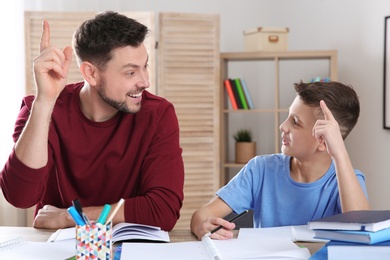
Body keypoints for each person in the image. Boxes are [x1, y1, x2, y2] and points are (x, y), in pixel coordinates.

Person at [0, 11, 184, 231]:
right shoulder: (37, 110)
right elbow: (19, 197)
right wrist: (45, 102)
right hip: (57, 249)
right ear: (91, 73)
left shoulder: (158, 114)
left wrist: (71, 216)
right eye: (130, 72)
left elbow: (163, 210)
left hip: (130, 247)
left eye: (144, 66)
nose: (145, 81)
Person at [190, 80, 370, 240]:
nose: (283, 126)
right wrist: (201, 225)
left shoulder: (348, 180)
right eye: (288, 117)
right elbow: (202, 214)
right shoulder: (260, 169)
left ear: (322, 139)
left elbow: (362, 230)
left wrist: (339, 152)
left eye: (295, 122)